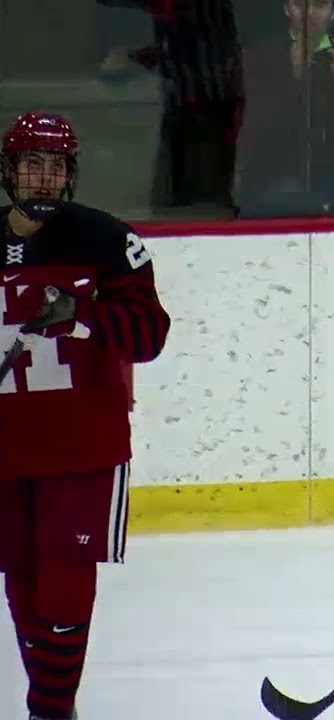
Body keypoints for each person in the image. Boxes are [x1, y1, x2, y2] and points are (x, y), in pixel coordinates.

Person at [0, 112, 171, 720]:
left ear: (69, 176)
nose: (42, 179)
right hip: (7, 450)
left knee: (65, 583)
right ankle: (49, 705)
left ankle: (49, 708)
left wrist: (82, 311)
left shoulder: (106, 241)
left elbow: (151, 335)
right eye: (30, 164)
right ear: (9, 170)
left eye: (54, 167)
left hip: (84, 448)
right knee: (19, 578)